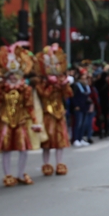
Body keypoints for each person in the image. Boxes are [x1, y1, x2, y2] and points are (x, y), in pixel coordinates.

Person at [0, 45, 41, 186]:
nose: (12, 77)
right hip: (5, 120)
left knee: (23, 148)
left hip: (21, 120)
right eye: (10, 74)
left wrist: (35, 122)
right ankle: (7, 174)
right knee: (6, 148)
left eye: (15, 74)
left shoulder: (26, 89)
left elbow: (29, 107)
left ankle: (20, 173)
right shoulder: (1, 88)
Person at [34, 44, 73, 175]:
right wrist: (50, 85)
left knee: (60, 140)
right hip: (47, 113)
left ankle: (59, 162)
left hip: (59, 112)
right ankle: (46, 163)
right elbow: (43, 95)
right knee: (47, 141)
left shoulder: (60, 80)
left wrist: (63, 84)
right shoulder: (41, 83)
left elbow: (69, 94)